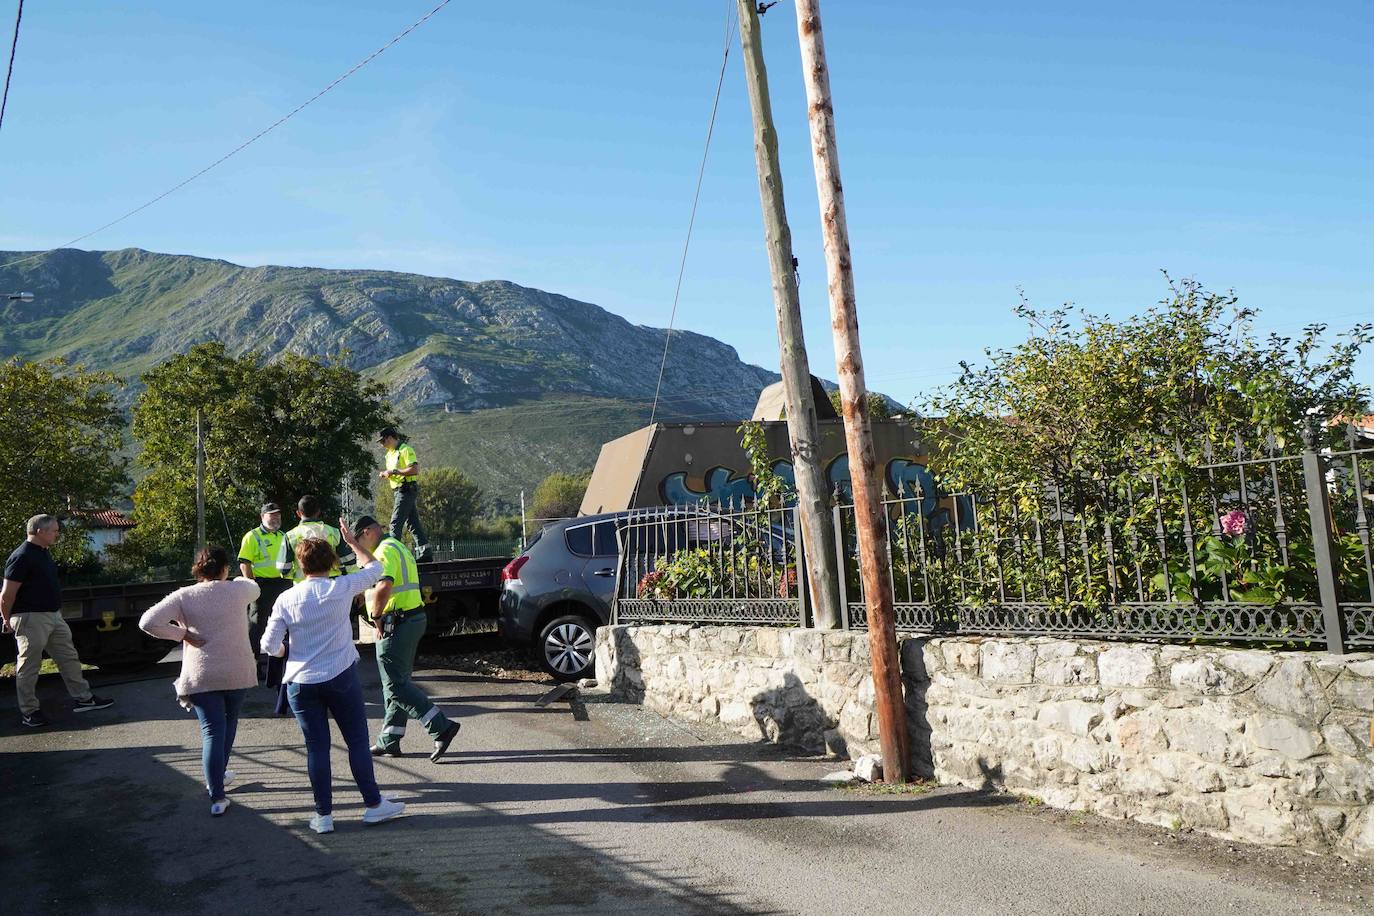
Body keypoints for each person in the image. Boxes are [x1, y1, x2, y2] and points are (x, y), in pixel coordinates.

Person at [261, 518, 406, 834]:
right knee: (356, 742)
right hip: (340, 676)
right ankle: (373, 805)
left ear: (300, 565)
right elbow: (377, 569)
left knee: (317, 749)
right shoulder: (341, 587)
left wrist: (288, 651)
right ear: (332, 562)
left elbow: (268, 646)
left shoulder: (285, 599)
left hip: (301, 682)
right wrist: (353, 542)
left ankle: (323, 816)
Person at [138, 546, 259, 816]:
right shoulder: (239, 591)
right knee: (230, 724)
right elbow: (253, 585)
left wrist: (183, 635)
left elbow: (148, 622)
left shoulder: (184, 595)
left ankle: (217, 795)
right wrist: (237, 578)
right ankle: (219, 774)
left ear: (198, 569)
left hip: (201, 674)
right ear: (225, 568)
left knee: (212, 731)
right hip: (236, 671)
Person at [352, 515, 460, 762]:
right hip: (411, 618)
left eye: (359, 540)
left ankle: (441, 727)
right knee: (398, 682)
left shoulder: (384, 550)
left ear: (368, 532)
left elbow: (384, 586)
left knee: (394, 685)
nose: (360, 547)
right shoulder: (398, 546)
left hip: (395, 622)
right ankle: (389, 739)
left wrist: (376, 615)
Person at [1, 515, 114, 728]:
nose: (57, 534)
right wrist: (7, 619)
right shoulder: (21, 556)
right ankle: (29, 712)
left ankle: (84, 698)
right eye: (54, 531)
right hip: (30, 618)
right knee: (29, 666)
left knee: (69, 658)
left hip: (53, 616)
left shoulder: (43, 553)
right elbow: (6, 595)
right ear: (40, 531)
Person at [238, 502, 288, 678]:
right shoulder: (252, 536)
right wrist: (252, 585)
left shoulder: (284, 536)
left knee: (287, 624)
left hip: (283, 584)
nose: (275, 518)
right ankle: (253, 665)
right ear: (262, 517)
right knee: (257, 625)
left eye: (278, 515)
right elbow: (244, 563)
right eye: (271, 515)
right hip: (261, 586)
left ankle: (284, 664)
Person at [378, 426, 431, 561]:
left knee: (395, 523)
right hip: (398, 490)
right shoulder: (390, 453)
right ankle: (425, 553)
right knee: (412, 523)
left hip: (406, 489)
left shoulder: (405, 450)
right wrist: (387, 473)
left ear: (390, 438)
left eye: (383, 441)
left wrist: (394, 472)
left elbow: (414, 469)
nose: (382, 444)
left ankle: (393, 556)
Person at [275, 495, 355, 581]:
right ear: (318, 511)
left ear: (298, 513)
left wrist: (295, 575)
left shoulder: (290, 535)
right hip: (332, 583)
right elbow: (349, 561)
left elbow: (283, 568)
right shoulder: (334, 532)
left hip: (303, 585)